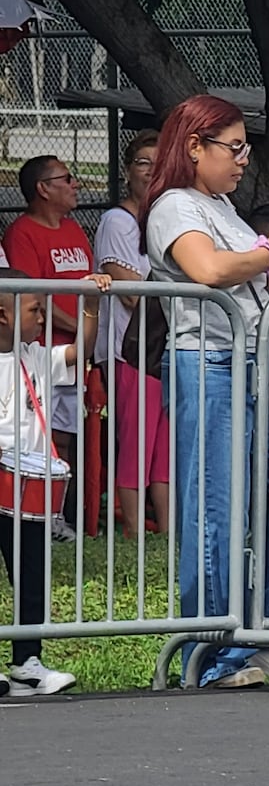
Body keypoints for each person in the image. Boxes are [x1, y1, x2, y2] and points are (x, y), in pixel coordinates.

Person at [143, 94, 269, 690]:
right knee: (217, 513)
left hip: (257, 366)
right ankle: (214, 653)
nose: (244, 159)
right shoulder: (174, 204)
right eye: (235, 147)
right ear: (194, 147)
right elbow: (210, 270)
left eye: (245, 147)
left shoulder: (219, 204)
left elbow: (246, 270)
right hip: (212, 365)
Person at [0, 269, 111, 693]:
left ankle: (27, 661)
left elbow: (81, 350)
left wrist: (91, 306)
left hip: (27, 487)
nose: (44, 317)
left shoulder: (35, 357)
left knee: (32, 574)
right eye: (35, 309)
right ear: (3, 314)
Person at [1, 155, 95, 543]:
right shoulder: (23, 233)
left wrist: (90, 314)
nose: (76, 185)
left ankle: (52, 513)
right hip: (41, 348)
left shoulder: (74, 229)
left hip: (60, 353)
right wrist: (72, 324)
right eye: (66, 178)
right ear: (43, 188)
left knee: (65, 436)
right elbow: (29, 294)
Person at [94, 129, 171, 538]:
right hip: (131, 350)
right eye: (143, 163)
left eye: (159, 165)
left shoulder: (162, 220)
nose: (151, 171)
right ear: (127, 170)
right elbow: (130, 293)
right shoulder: (117, 222)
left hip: (160, 351)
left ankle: (167, 531)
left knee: (163, 448)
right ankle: (133, 533)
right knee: (137, 444)